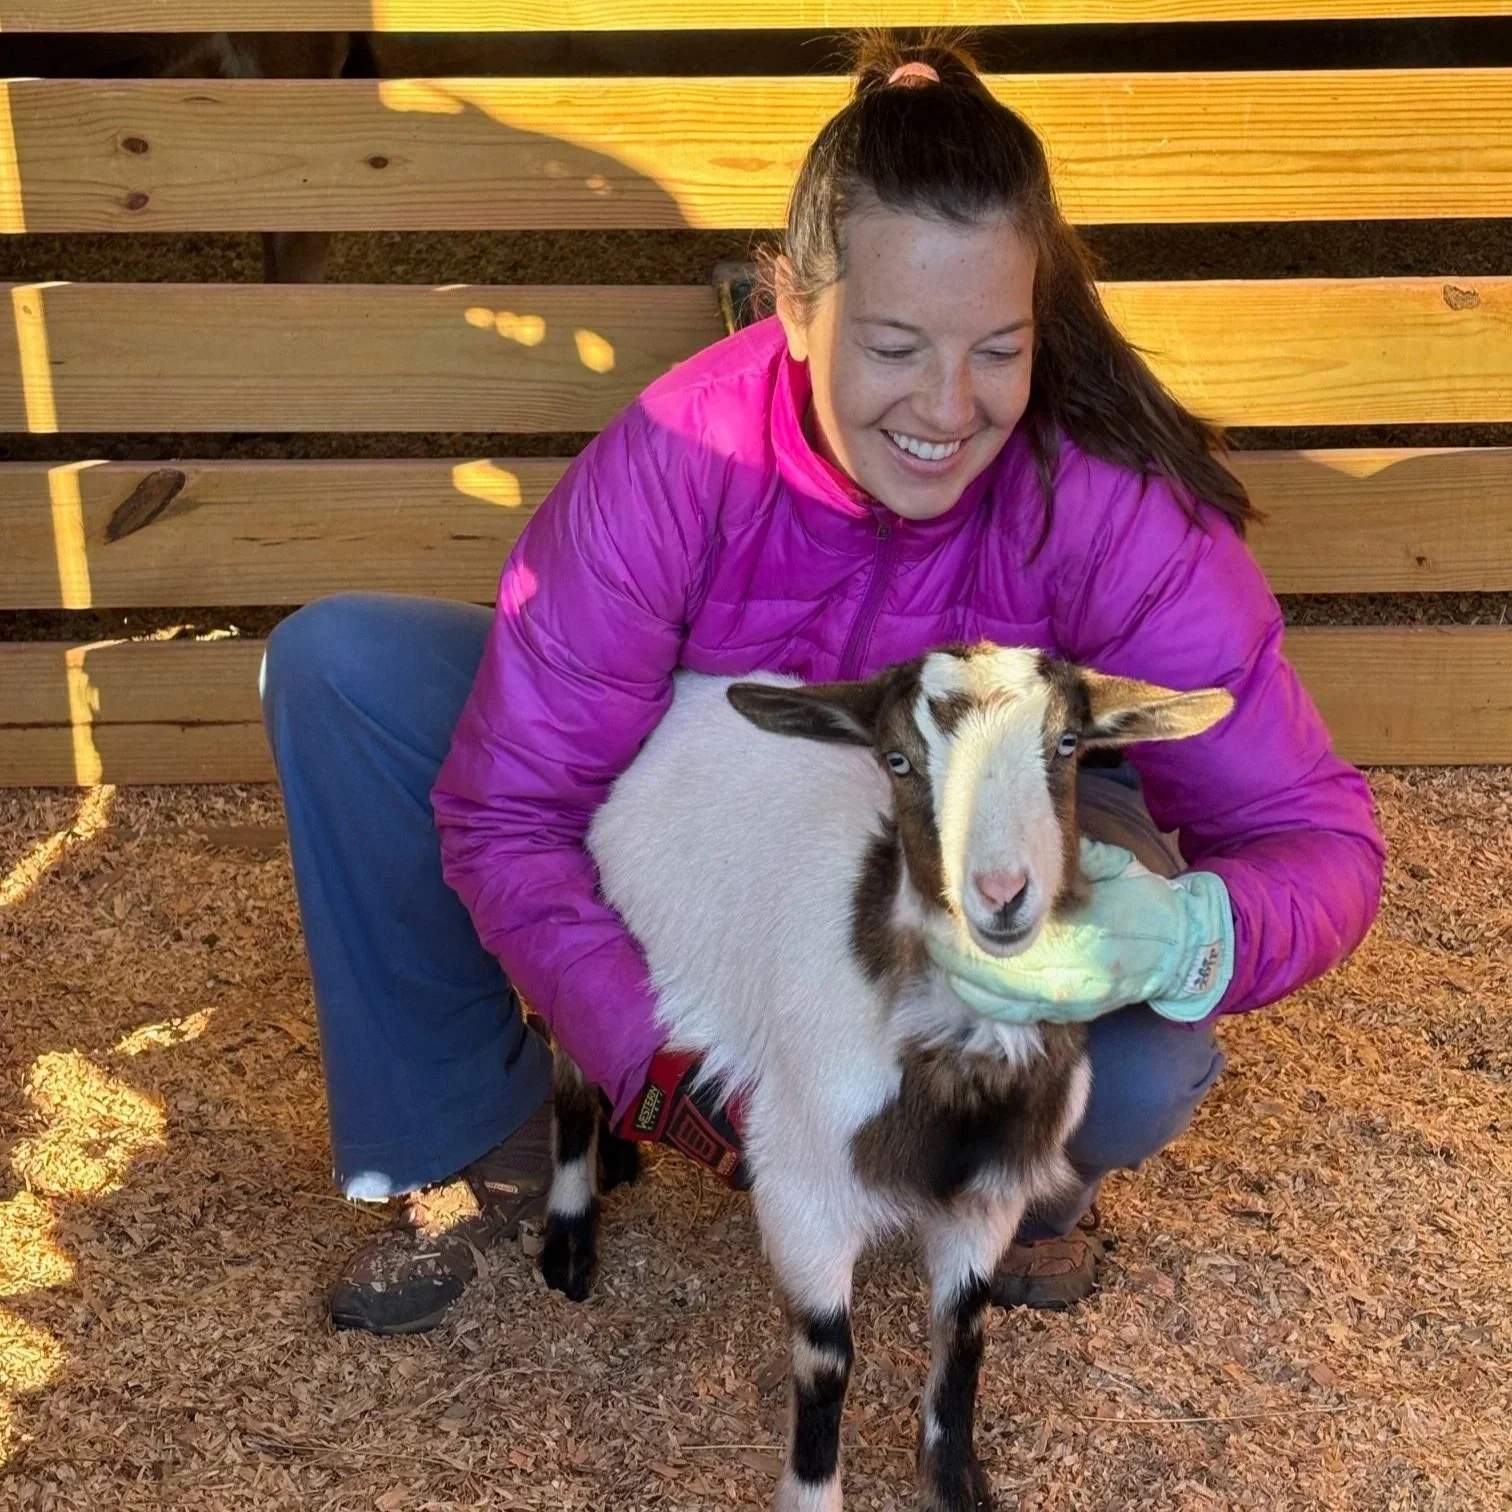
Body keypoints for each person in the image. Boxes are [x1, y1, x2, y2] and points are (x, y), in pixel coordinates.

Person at [259, 36, 1384, 1337]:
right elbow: (509, 812)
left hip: (999, 813)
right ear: (791, 303)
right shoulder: (678, 460)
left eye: (998, 350)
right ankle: (483, 1132)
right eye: (896, 346)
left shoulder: (1109, 506)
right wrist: (673, 1066)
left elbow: (1316, 835)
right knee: (348, 673)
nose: (950, 408)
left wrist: (1193, 933)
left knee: (1132, 1066)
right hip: (717, 794)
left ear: (1037, 316)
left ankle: (1038, 1186)